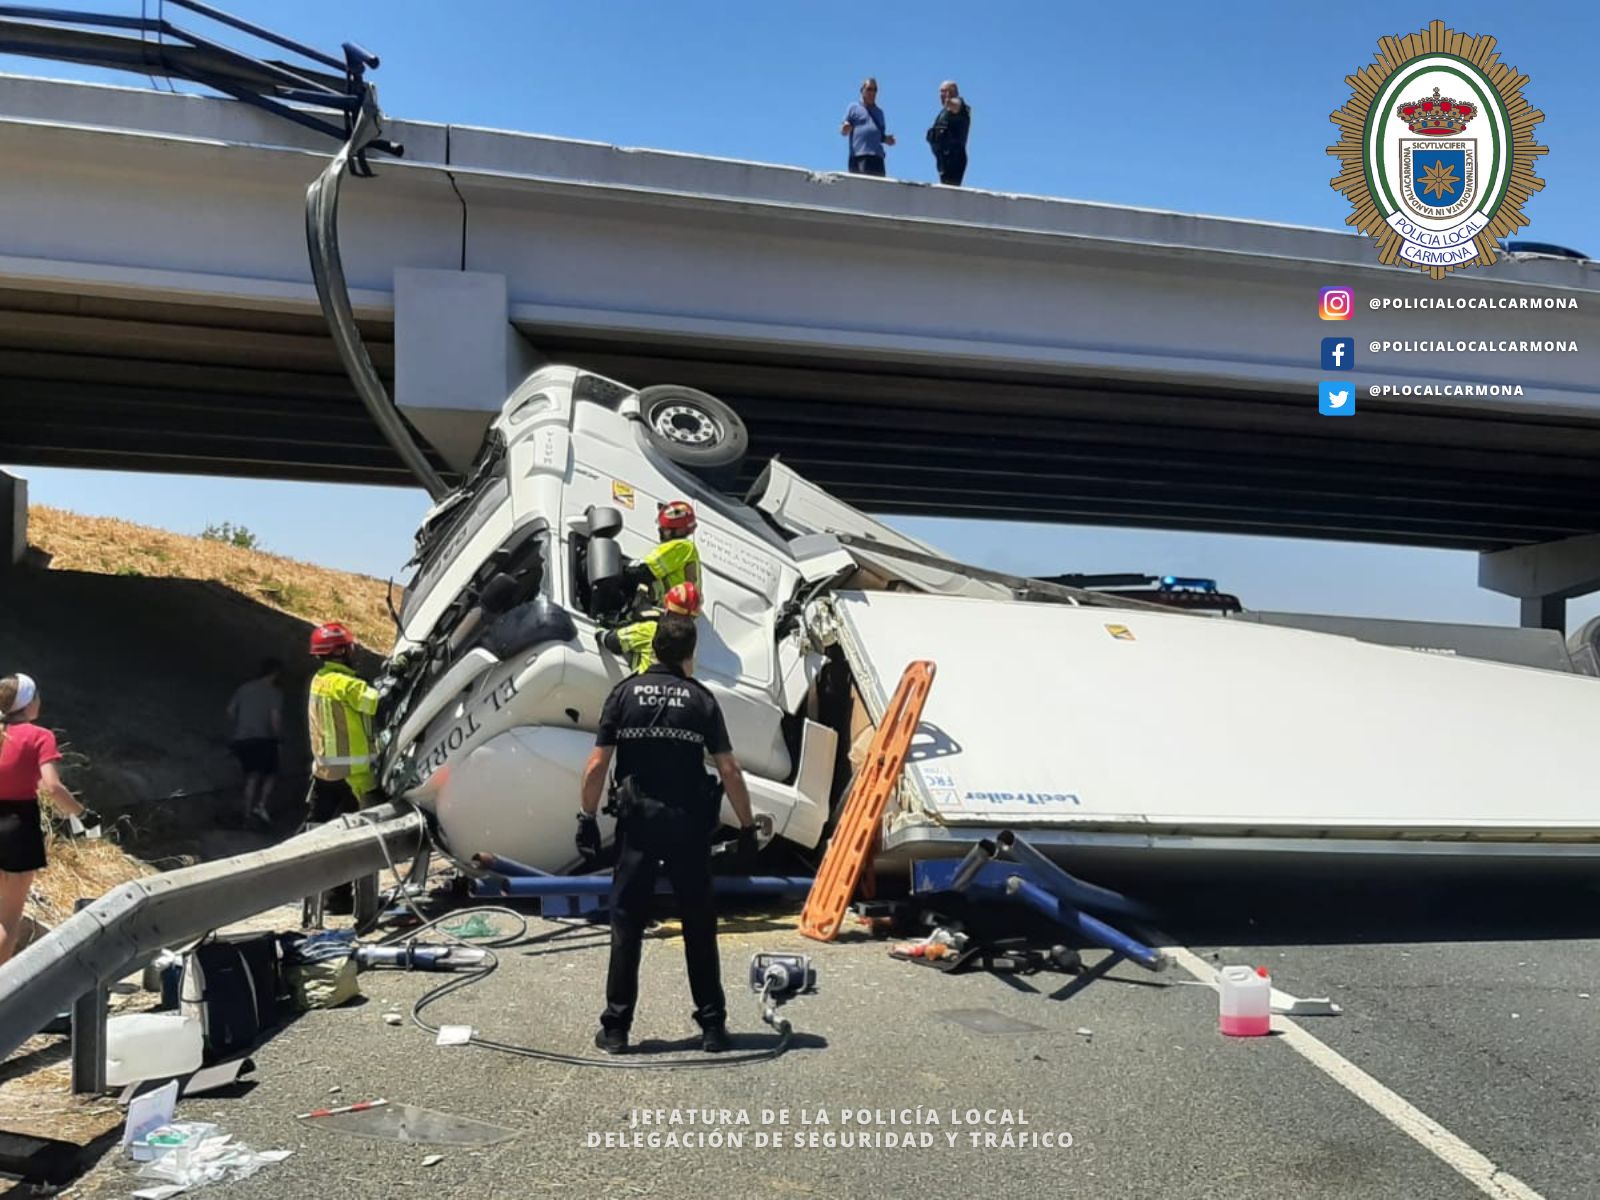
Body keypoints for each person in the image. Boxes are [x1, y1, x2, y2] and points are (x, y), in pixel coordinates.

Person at [578, 614, 759, 1055]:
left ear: (654, 647)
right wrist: (748, 827)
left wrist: (586, 817)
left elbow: (598, 765)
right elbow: (729, 769)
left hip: (638, 825)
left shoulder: (623, 694)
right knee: (699, 923)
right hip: (688, 827)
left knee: (626, 923)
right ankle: (713, 1027)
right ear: (689, 653)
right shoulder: (701, 700)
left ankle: (616, 1029)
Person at [0, 674, 98, 966]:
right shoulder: (39, 736)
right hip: (17, 826)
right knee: (8, 918)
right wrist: (82, 814)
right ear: (28, 703)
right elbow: (52, 786)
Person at [306, 622, 380, 914]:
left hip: (324, 773)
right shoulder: (344, 683)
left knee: (319, 832)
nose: (353, 652)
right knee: (359, 837)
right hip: (354, 776)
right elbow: (376, 702)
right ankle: (350, 901)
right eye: (349, 647)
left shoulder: (320, 680)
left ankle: (318, 900)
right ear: (340, 651)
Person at [225, 657, 283, 828]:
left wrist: (242, 725)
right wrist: (279, 737)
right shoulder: (274, 692)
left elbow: (230, 711)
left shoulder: (244, 688)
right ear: (276, 673)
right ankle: (260, 805)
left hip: (242, 738)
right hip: (263, 738)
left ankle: (246, 813)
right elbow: (275, 719)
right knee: (271, 774)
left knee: (251, 776)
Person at [600, 582, 703, 674]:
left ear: (667, 607)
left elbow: (614, 642)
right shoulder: (689, 641)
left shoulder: (651, 629)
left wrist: (600, 632)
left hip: (643, 684)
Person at [621, 500, 701, 609]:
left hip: (665, 608)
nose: (660, 530)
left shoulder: (682, 546)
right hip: (669, 607)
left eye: (665, 529)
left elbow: (645, 570)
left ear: (680, 531)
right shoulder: (686, 549)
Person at [840, 77, 895, 176]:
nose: (872, 93)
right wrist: (845, 128)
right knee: (861, 184)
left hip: (877, 157)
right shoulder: (853, 108)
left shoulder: (879, 113)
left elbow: (879, 135)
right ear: (862, 91)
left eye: (875, 90)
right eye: (869, 89)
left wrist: (886, 139)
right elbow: (843, 130)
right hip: (860, 156)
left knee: (878, 185)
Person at [926, 80, 972, 186]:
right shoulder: (943, 113)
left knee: (951, 189)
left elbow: (957, 106)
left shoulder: (960, 105)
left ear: (952, 92)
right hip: (943, 159)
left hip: (954, 157)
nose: (940, 95)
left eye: (943, 91)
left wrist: (950, 102)